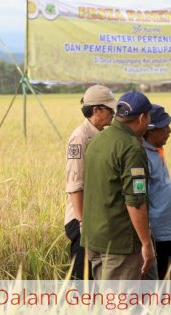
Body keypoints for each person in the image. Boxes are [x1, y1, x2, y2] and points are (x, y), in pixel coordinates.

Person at [80, 90, 155, 280]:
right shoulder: (131, 147)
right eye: (148, 118)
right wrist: (146, 243)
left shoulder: (96, 140)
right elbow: (135, 200)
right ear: (142, 117)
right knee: (121, 306)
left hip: (94, 238)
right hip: (120, 243)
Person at [64, 84, 115, 280]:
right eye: (110, 109)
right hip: (83, 220)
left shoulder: (102, 134)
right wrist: (83, 223)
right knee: (81, 279)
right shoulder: (80, 137)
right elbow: (74, 183)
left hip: (98, 219)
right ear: (97, 110)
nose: (113, 113)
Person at [143, 105, 171, 280]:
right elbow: (138, 200)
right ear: (149, 129)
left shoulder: (156, 151)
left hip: (167, 232)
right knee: (163, 285)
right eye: (164, 127)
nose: (169, 130)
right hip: (156, 235)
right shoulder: (142, 155)